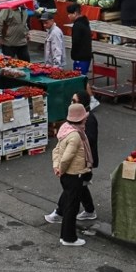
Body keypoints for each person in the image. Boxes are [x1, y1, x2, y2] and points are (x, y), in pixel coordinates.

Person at [45, 90, 99, 223]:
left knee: (72, 188)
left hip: (84, 161)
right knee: (80, 186)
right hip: (82, 161)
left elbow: (89, 141)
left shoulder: (88, 120)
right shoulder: (79, 119)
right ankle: (89, 210)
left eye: (74, 101)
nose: (71, 103)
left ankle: (59, 212)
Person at [48, 103, 94, 246]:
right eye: (84, 118)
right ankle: (69, 238)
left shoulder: (65, 129)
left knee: (69, 203)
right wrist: (61, 168)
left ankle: (66, 236)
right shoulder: (76, 135)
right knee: (71, 207)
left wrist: (57, 167)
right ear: (80, 119)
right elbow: (67, 157)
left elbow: (56, 150)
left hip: (67, 175)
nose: (86, 120)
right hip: (74, 175)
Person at [67, 3, 93, 75]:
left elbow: (76, 42)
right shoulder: (84, 22)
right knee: (83, 79)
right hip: (86, 55)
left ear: (75, 13)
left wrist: (73, 55)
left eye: (69, 14)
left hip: (81, 57)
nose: (68, 16)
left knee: (81, 79)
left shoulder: (77, 25)